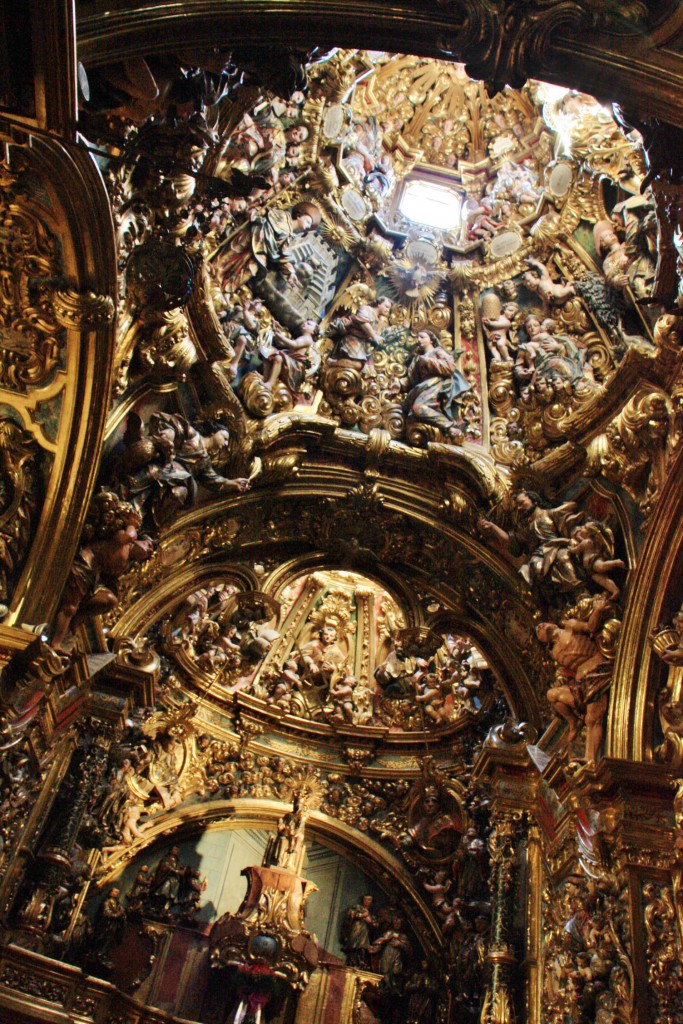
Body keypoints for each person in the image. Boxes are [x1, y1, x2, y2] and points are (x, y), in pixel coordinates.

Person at [536, 594, 614, 761]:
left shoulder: (569, 627)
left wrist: (598, 611)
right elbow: (565, 672)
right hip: (582, 683)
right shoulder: (555, 653)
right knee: (552, 695)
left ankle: (590, 760)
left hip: (597, 671)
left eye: (541, 624)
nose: (540, 626)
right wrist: (561, 679)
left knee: (593, 718)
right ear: (543, 642)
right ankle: (573, 722)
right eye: (538, 631)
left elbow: (591, 628)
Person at [219, 201, 321, 291]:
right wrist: (256, 211)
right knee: (229, 256)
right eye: (308, 221)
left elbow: (284, 256)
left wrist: (291, 273)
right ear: (299, 215)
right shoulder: (283, 216)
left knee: (251, 270)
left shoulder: (289, 237)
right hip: (254, 237)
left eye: (309, 225)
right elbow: (266, 212)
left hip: (261, 254)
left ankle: (225, 289)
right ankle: (215, 272)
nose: (308, 226)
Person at [404, 330, 471, 442]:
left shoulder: (438, 352)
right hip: (421, 388)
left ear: (431, 339)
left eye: (422, 337)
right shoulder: (417, 358)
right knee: (414, 413)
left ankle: (450, 427)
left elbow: (450, 367)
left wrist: (428, 361)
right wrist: (399, 383)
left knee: (418, 408)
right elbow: (411, 380)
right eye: (418, 338)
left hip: (436, 386)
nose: (419, 340)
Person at [329, 296, 392, 372]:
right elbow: (363, 323)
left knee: (365, 369)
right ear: (379, 304)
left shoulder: (378, 320)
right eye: (386, 306)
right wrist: (374, 336)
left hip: (362, 344)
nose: (387, 310)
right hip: (352, 339)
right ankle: (332, 362)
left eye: (389, 309)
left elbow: (374, 336)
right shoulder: (365, 309)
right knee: (358, 365)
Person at [341, 894, 377, 968]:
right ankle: (352, 962)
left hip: (365, 933)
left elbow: (374, 924)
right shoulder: (357, 907)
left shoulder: (371, 913)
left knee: (362, 948)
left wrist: (370, 921)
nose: (367, 901)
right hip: (356, 929)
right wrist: (362, 915)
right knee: (354, 946)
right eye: (365, 899)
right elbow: (351, 914)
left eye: (369, 900)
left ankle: (360, 962)